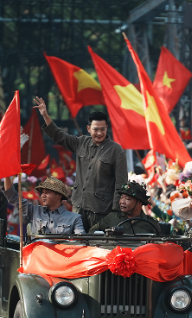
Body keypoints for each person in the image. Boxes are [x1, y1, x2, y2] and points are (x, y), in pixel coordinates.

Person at [34, 97, 127, 230]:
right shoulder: (81, 143)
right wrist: (45, 115)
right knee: (78, 245)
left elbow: (121, 185)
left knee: (98, 247)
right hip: (78, 208)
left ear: (107, 128)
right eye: (95, 129)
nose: (99, 133)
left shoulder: (116, 150)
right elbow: (59, 136)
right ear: (88, 128)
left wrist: (115, 213)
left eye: (102, 129)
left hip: (102, 212)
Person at [3, 176, 84, 235]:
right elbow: (12, 197)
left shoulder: (75, 218)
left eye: (47, 192)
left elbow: (79, 241)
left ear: (59, 196)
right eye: (42, 192)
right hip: (38, 257)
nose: (43, 196)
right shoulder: (34, 211)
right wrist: (7, 175)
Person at [89, 181, 160, 234]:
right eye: (121, 198)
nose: (122, 202)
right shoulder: (112, 217)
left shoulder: (151, 223)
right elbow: (92, 231)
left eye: (127, 199)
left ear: (139, 203)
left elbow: (159, 246)